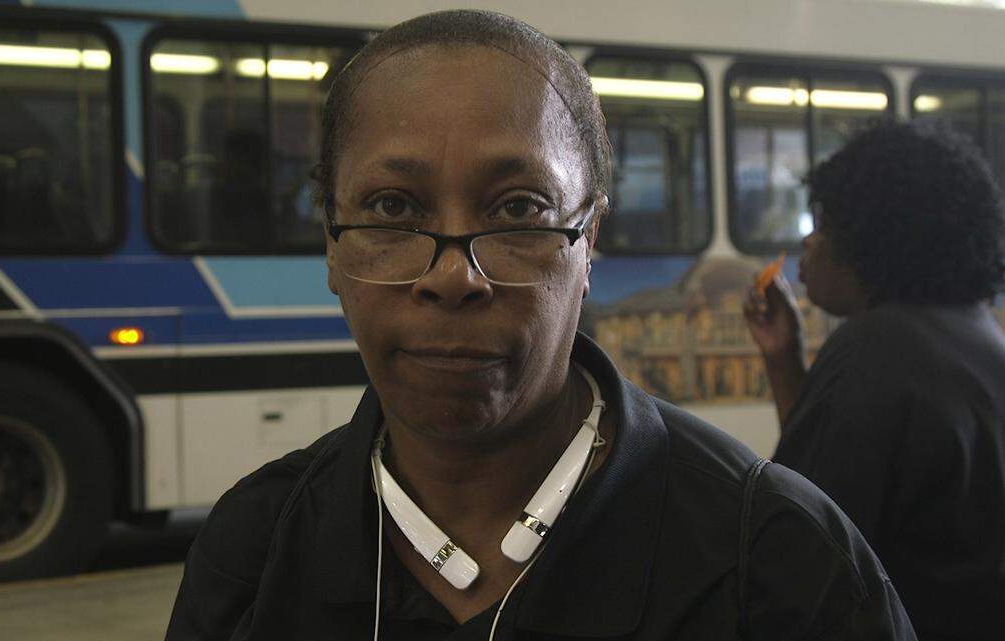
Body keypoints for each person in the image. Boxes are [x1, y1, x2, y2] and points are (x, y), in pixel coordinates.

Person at [166, 11, 915, 640]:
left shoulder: (780, 561)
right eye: (393, 207)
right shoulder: (253, 553)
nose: (454, 276)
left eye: (519, 208)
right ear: (332, 242)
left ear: (590, 240)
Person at [744, 121, 1005, 641]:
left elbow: (799, 540)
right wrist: (785, 363)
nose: (807, 241)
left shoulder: (874, 351)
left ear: (870, 237)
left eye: (823, 224)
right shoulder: (978, 334)